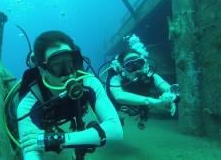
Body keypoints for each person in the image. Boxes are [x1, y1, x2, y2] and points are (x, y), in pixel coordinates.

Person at [15, 30, 123, 159]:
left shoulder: (89, 82)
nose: (69, 73)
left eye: (71, 62)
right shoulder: (29, 103)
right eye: (57, 65)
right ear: (42, 70)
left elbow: (116, 130)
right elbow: (31, 150)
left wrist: (56, 140)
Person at [105, 35, 178, 129]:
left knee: (142, 114)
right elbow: (119, 96)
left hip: (139, 104)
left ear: (144, 63)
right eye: (130, 66)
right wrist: (153, 101)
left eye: (139, 64)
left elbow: (164, 85)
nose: (137, 69)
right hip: (117, 106)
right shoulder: (116, 78)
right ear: (123, 69)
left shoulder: (149, 74)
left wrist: (171, 95)